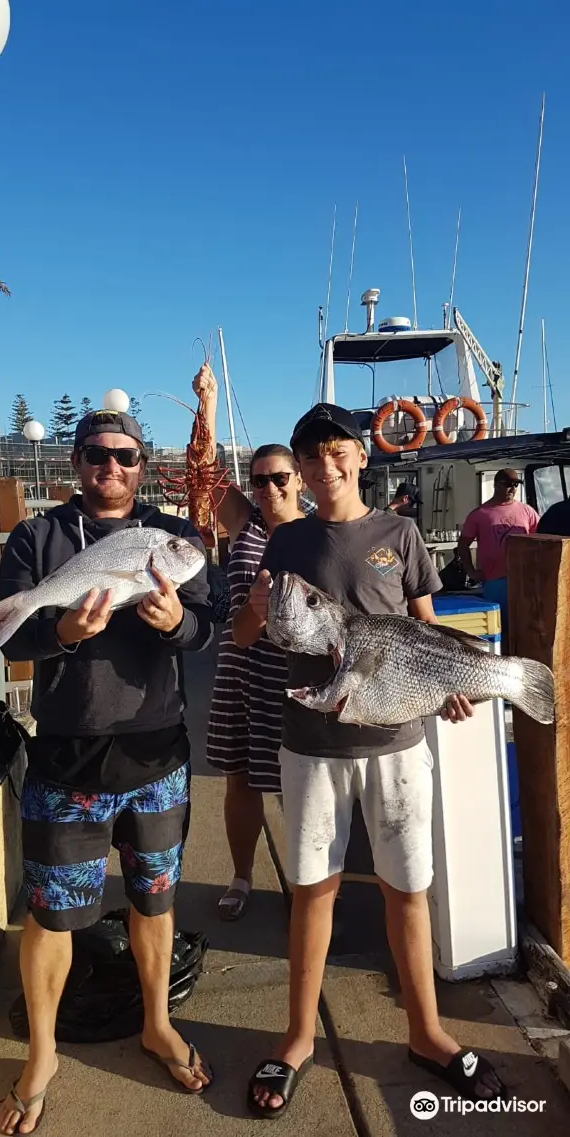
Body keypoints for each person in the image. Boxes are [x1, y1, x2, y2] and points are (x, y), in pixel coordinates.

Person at [234, 403, 506, 1119]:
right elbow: (241, 636)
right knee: (312, 890)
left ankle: (426, 1031)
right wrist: (258, 609)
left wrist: (453, 681)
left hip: (397, 742)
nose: (324, 467)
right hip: (310, 743)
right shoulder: (284, 542)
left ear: (359, 457)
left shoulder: (401, 532)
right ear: (299, 470)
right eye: (309, 458)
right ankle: (297, 1037)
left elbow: (426, 624)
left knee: (407, 889)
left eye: (335, 453)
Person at [0, 407, 214, 1135]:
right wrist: (63, 630)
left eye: (123, 456)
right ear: (75, 462)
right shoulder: (37, 536)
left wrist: (173, 623)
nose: (109, 467)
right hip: (67, 754)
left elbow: (205, 624)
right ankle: (43, 1054)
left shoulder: (172, 539)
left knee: (155, 901)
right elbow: (13, 644)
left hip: (157, 754)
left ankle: (156, 1023)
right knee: (52, 914)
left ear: (142, 465)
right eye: (95, 454)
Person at [193, 364, 305, 920]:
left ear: (299, 479)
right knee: (239, 778)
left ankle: (308, 886)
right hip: (240, 668)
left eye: (279, 477)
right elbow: (206, 473)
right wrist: (208, 404)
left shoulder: (315, 531)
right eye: (259, 479)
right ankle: (241, 875)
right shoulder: (246, 525)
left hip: (295, 677)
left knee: (301, 783)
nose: (269, 488)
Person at [457, 469, 539, 644]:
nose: (512, 488)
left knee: (525, 627)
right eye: (508, 484)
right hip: (495, 580)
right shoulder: (479, 514)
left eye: (516, 485)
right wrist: (471, 572)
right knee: (498, 629)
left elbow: (540, 541)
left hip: (523, 580)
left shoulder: (527, 511)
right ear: (496, 485)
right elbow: (463, 545)